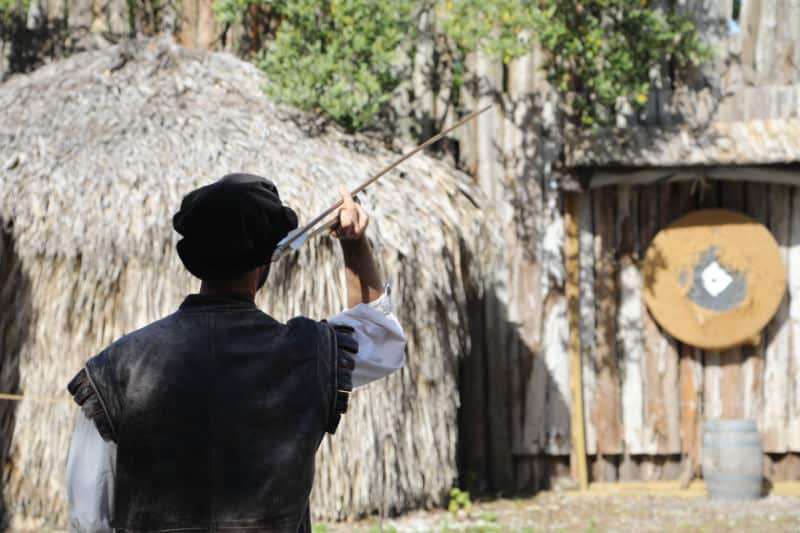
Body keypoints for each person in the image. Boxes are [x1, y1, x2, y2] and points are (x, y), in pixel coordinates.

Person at [65, 173, 406, 533]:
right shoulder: (308, 352)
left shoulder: (116, 368)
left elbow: (88, 518)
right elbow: (380, 338)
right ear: (267, 259)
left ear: (194, 259)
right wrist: (354, 244)